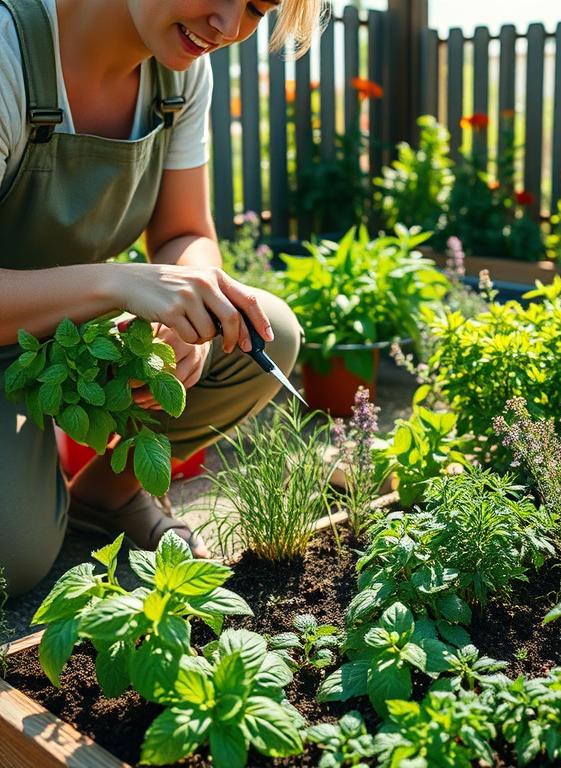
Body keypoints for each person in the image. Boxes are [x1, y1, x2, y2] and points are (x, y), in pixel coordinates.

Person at [0, 0, 327, 596]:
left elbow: (184, 232)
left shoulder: (180, 74)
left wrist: (189, 308)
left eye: (256, 8)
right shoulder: (8, 52)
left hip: (65, 343)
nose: (229, 28)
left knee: (260, 329)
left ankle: (106, 496)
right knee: (12, 560)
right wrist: (116, 281)